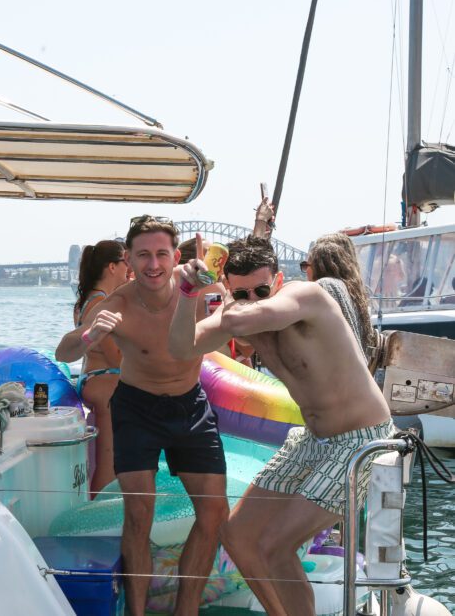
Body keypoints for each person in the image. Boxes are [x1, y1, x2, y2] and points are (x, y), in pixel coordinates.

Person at [168, 235, 393, 616]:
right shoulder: (240, 312)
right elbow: (180, 348)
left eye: (261, 289)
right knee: (236, 535)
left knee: (274, 545)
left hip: (362, 438)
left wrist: (225, 294)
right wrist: (187, 293)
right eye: (244, 292)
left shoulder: (305, 296)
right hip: (313, 438)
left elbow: (242, 316)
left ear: (278, 281)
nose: (253, 298)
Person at [56, 215, 228, 616]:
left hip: (190, 405)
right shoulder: (115, 303)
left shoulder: (200, 291)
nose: (153, 265)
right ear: (129, 261)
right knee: (139, 512)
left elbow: (234, 319)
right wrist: (90, 334)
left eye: (161, 254)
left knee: (215, 511)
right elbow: (65, 352)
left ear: (174, 256)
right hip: (136, 407)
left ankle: (186, 611)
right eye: (144, 255)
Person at [73, 239, 128, 496]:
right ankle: (98, 519)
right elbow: (115, 357)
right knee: (109, 462)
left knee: (110, 459)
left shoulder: (90, 299)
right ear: (112, 267)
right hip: (105, 383)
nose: (130, 267)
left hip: (94, 377)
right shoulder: (101, 304)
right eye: (126, 262)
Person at [299, 232, 378, 358]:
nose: (306, 271)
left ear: (319, 262)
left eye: (306, 265)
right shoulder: (355, 294)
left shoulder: (324, 287)